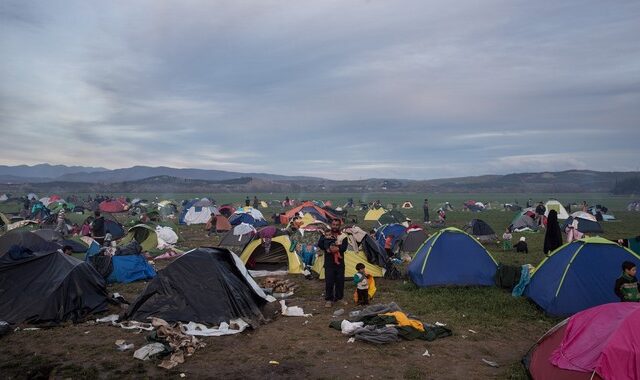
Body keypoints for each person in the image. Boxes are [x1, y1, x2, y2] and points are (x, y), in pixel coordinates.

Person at [317, 219, 348, 308]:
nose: (334, 226)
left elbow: (344, 247)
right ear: (331, 225)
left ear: (339, 226)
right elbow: (320, 244)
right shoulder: (325, 234)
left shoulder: (343, 236)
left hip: (339, 263)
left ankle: (339, 298)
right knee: (329, 281)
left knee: (340, 281)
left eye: (337, 225)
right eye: (333, 224)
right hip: (329, 262)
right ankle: (329, 299)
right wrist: (329, 248)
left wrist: (337, 249)